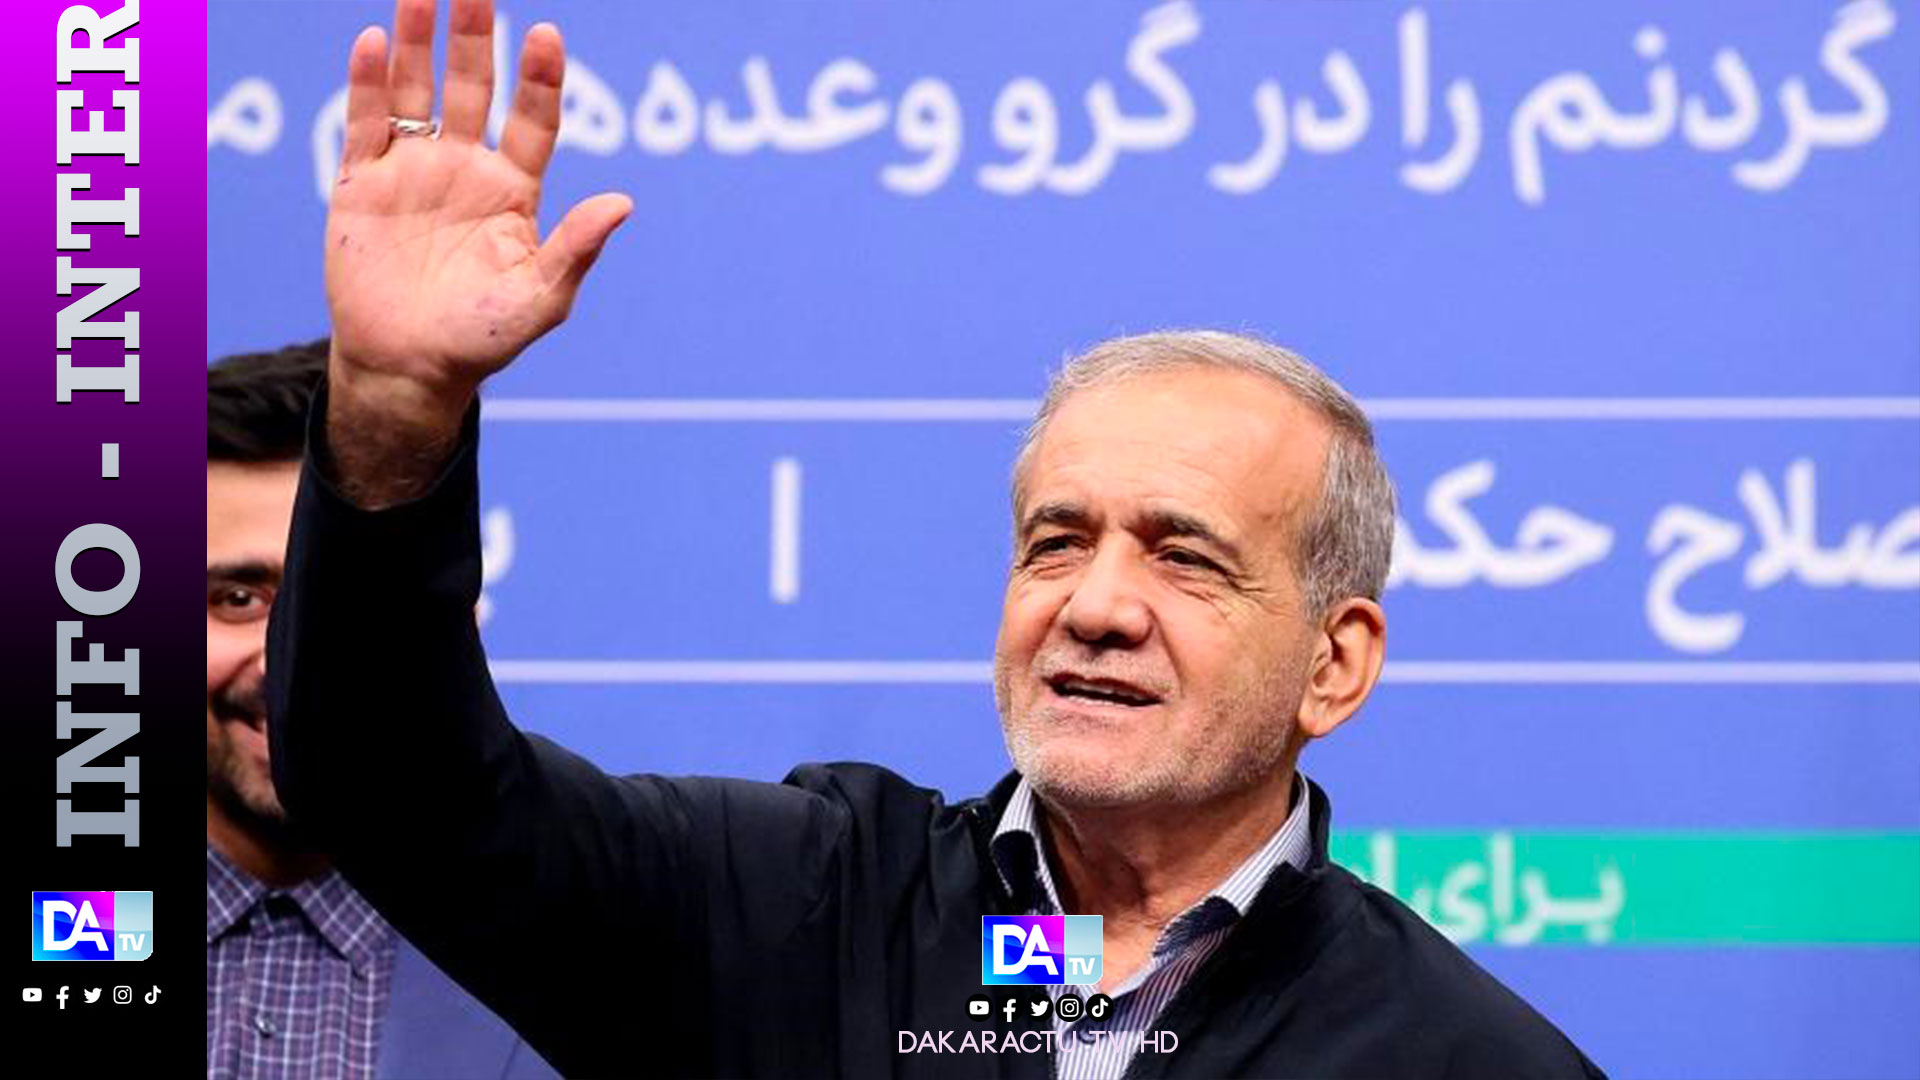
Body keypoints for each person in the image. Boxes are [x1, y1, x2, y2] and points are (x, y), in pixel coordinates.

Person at [268, 1, 1606, 1076]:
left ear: (1336, 660)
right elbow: (394, 791)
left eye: (1184, 556)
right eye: (1056, 543)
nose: (1096, 605)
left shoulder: (1464, 1057)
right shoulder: (798, 908)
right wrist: (394, 411)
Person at [207, 342, 557, 1080]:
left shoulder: (599, 958)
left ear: (451, 624)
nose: (288, 661)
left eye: (343, 601)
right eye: (238, 599)